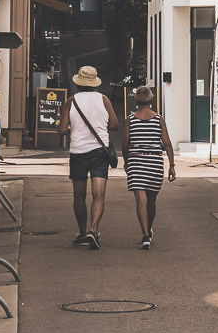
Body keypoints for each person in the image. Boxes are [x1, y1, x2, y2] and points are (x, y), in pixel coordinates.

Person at [57, 64, 119, 250]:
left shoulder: (71, 101)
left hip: (78, 152)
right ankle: (94, 230)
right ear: (95, 83)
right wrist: (100, 126)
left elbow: (61, 130)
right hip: (100, 152)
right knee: (99, 193)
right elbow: (115, 125)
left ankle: (83, 233)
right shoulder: (104, 99)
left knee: (79, 195)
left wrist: (73, 128)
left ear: (78, 83)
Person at [122, 86, 176, 249]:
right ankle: (149, 230)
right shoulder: (158, 119)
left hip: (136, 161)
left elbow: (125, 144)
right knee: (152, 199)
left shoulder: (130, 120)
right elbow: (167, 143)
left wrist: (126, 161)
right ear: (151, 100)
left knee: (141, 198)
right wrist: (172, 165)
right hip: (155, 162)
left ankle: (145, 234)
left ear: (136, 101)